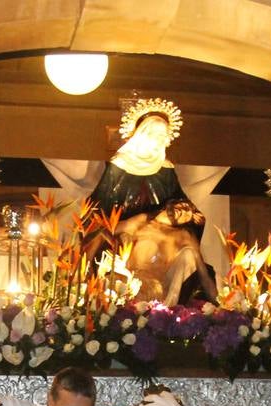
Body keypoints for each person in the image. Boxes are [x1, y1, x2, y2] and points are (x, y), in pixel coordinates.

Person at [89, 96, 216, 305]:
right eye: (155, 134)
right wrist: (133, 222)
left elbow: (181, 202)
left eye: (163, 135)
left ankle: (169, 306)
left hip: (160, 235)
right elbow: (98, 211)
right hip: (126, 237)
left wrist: (192, 215)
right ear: (143, 134)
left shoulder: (166, 169)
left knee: (188, 251)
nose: (160, 140)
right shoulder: (119, 166)